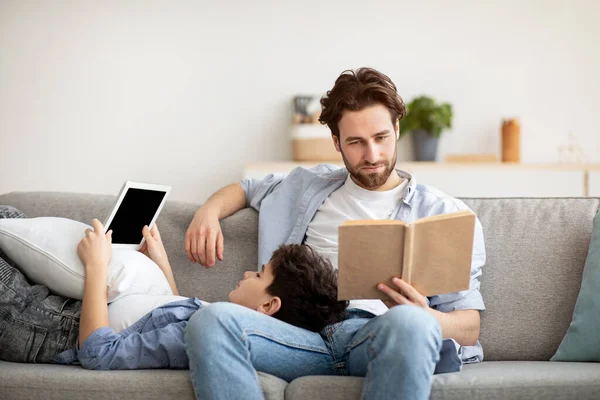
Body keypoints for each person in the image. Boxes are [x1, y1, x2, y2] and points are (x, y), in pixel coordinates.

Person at [184, 67, 486, 400]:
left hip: (380, 335)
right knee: (211, 320)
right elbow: (246, 189)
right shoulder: (307, 188)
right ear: (336, 141)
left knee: (412, 325)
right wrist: (208, 211)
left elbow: (469, 328)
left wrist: (424, 316)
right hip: (297, 337)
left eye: (381, 138)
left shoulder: (445, 213)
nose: (372, 155)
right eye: (356, 142)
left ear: (397, 129)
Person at [0, 208, 347, 369]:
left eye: (258, 275)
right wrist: (161, 261)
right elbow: (167, 313)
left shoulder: (205, 335)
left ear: (269, 306)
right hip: (57, 310)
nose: (245, 273)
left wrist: (96, 267)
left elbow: (97, 353)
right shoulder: (221, 323)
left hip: (46, 325)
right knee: (10, 214)